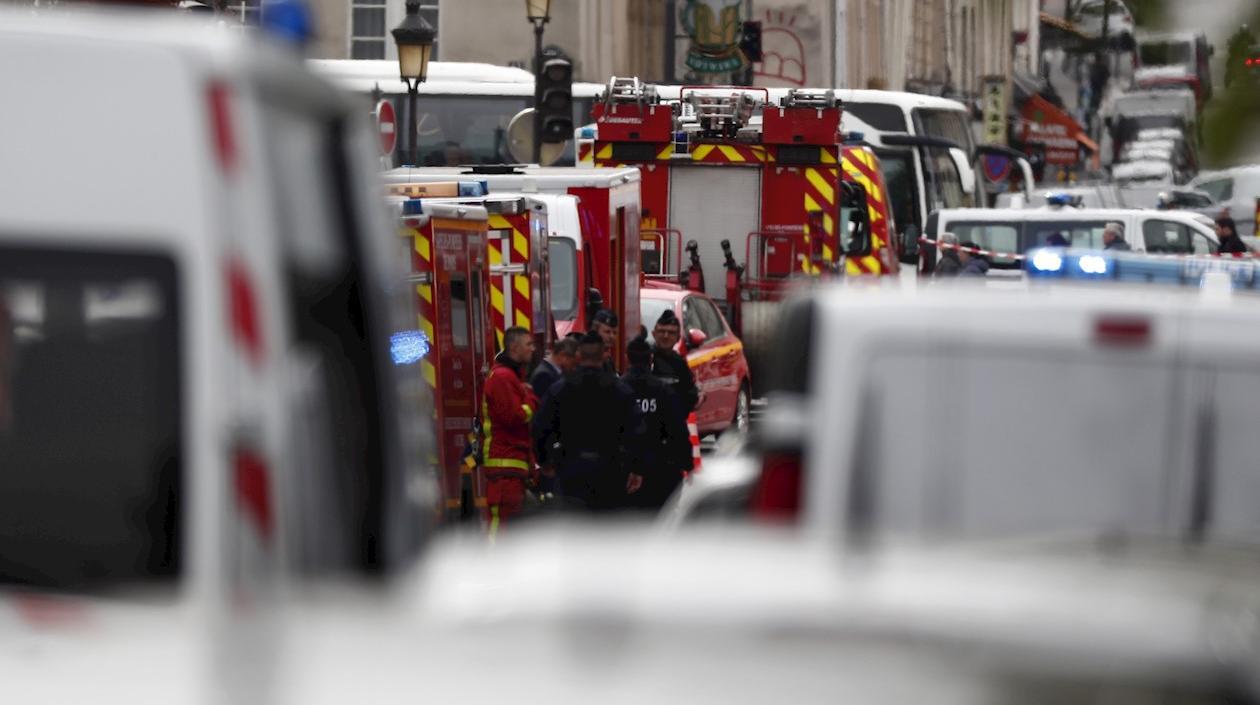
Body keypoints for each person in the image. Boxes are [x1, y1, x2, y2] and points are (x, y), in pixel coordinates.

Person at [534, 332, 643, 512]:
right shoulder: (620, 391)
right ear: (604, 355)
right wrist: (636, 468)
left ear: (578, 355)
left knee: (574, 530)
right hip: (610, 472)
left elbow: (540, 427)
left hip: (571, 471)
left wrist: (546, 461)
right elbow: (637, 430)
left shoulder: (560, 389)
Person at [621, 336, 691, 511]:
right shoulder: (663, 391)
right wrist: (686, 463)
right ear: (650, 359)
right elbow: (678, 430)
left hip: (625, 470)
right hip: (661, 469)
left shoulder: (618, 389)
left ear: (626, 358)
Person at [481, 326, 538, 535]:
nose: (533, 349)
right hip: (505, 467)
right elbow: (515, 417)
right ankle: (493, 565)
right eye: (528, 344)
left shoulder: (510, 377)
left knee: (510, 530)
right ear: (514, 347)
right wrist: (531, 400)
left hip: (511, 468)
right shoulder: (503, 378)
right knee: (501, 529)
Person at [649, 309, 699, 415]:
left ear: (678, 338)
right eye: (662, 331)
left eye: (671, 333)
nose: (666, 336)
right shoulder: (646, 359)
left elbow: (690, 393)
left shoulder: (680, 363)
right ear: (654, 334)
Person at [529, 335, 578, 400]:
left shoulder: (550, 371)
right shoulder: (544, 375)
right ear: (562, 355)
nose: (574, 367)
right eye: (573, 363)